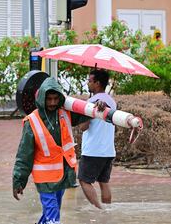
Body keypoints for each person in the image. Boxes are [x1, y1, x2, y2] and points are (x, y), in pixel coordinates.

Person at [12, 77, 105, 224]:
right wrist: (18, 181)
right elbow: (24, 155)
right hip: (44, 179)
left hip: (62, 175)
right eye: (49, 99)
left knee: (51, 214)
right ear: (42, 98)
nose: (53, 103)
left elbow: (87, 113)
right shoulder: (32, 122)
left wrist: (97, 106)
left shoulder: (65, 114)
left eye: (56, 99)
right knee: (53, 216)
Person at [78, 69, 117, 209]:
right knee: (104, 182)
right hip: (108, 150)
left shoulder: (92, 102)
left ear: (97, 83)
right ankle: (107, 209)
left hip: (93, 150)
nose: (88, 83)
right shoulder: (112, 101)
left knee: (84, 180)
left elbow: (83, 126)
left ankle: (99, 210)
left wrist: (81, 113)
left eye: (90, 81)